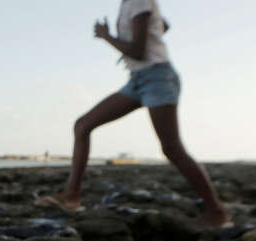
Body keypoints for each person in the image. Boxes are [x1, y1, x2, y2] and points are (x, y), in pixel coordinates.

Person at [38, 1, 230, 228]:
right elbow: (162, 25)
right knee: (83, 125)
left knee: (172, 147)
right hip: (138, 81)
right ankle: (71, 196)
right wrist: (150, 35)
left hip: (158, 79)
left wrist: (105, 35)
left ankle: (217, 212)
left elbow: (138, 51)